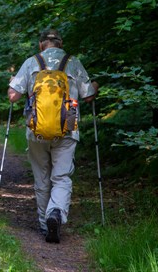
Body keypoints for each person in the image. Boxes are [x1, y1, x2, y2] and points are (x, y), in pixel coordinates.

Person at [8, 28, 98, 244]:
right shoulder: (73, 62)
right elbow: (88, 95)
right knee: (61, 177)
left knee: (42, 178)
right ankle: (55, 213)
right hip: (67, 130)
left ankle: (44, 224)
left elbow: (13, 96)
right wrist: (95, 85)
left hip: (36, 131)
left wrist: (12, 81)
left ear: (41, 44)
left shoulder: (32, 62)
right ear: (61, 43)